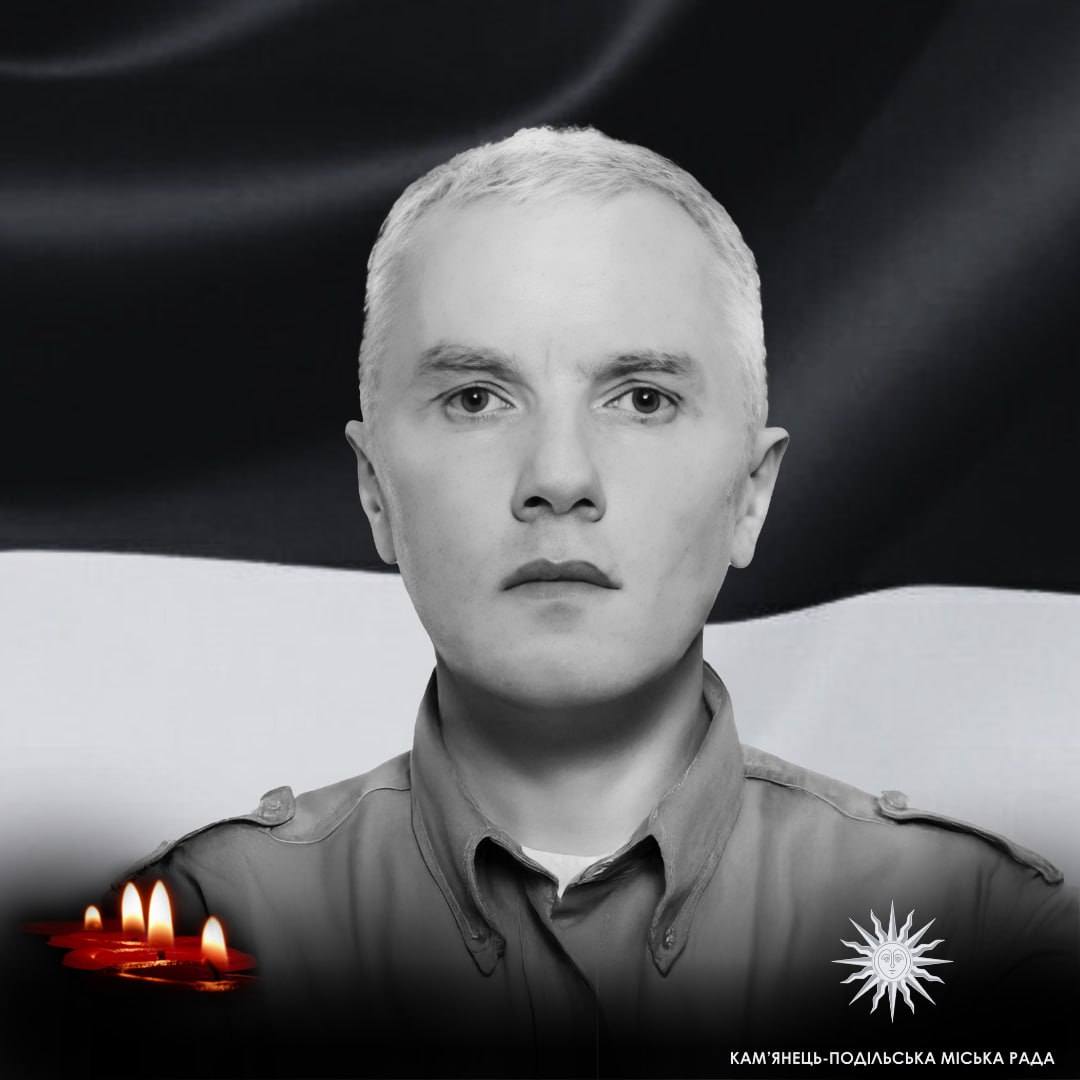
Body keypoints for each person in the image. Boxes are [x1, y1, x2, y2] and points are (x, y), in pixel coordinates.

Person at [113, 127, 1077, 1077]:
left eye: (643, 398)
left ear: (751, 495)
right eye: (477, 398)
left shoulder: (990, 940)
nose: (560, 478)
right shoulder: (190, 932)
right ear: (376, 493)